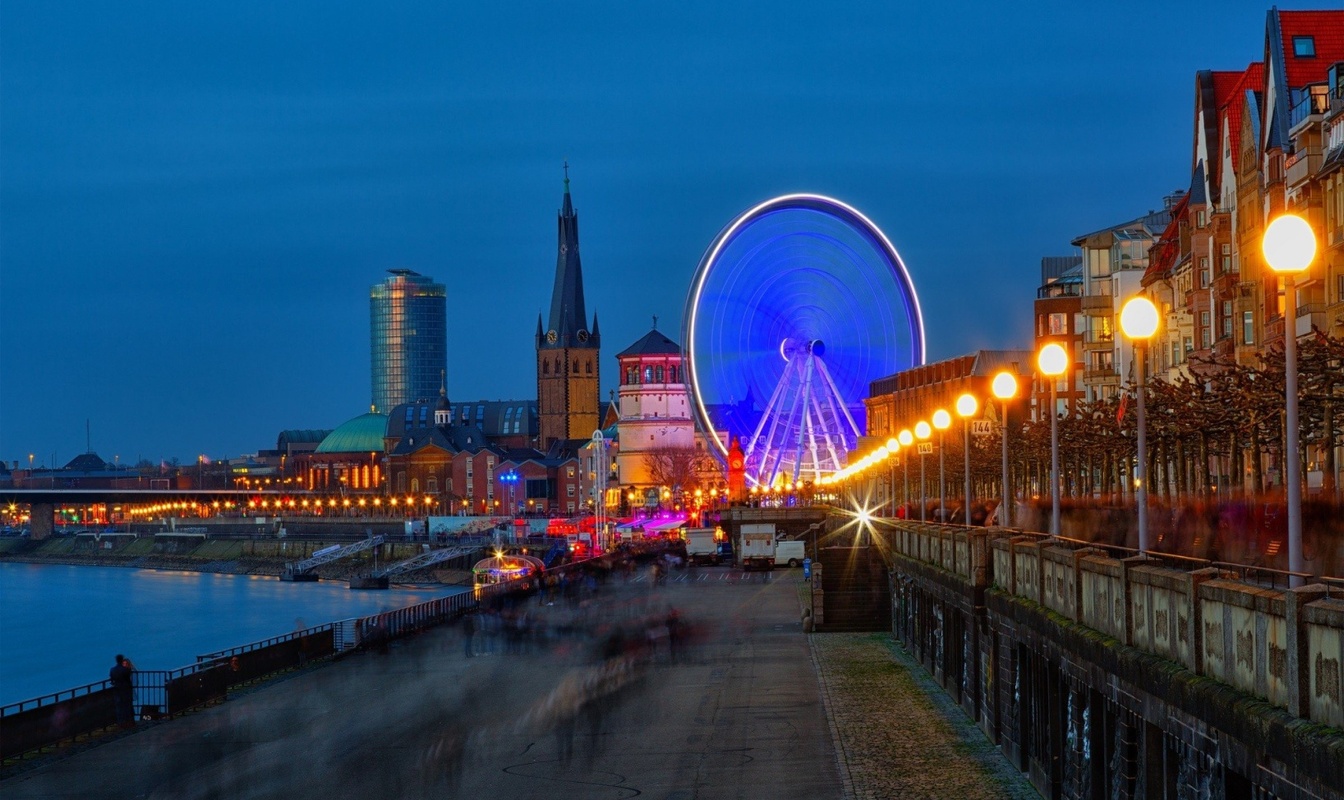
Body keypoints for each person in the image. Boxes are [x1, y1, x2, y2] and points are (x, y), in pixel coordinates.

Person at [109, 654, 135, 728]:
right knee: (128, 705)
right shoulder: (126, 670)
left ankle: (121, 723)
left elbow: (112, 680)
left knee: (119, 707)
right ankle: (129, 722)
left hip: (117, 689)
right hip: (126, 689)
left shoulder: (112, 669)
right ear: (122, 660)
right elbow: (129, 679)